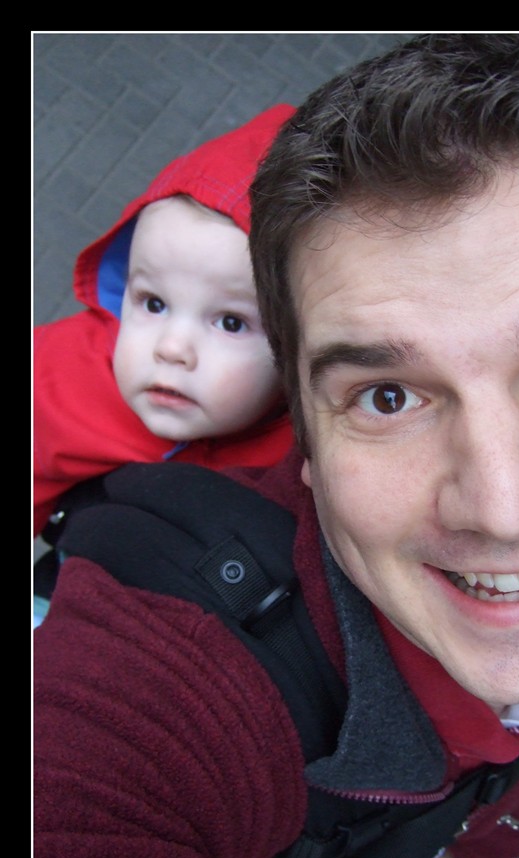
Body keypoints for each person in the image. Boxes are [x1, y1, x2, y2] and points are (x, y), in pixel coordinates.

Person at [34, 33, 519, 858]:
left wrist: (485, 853)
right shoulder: (174, 674)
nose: (507, 509)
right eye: (387, 396)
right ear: (307, 444)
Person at [33, 104, 296, 541]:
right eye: (154, 303)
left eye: (231, 323)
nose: (171, 348)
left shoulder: (307, 453)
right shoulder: (60, 378)